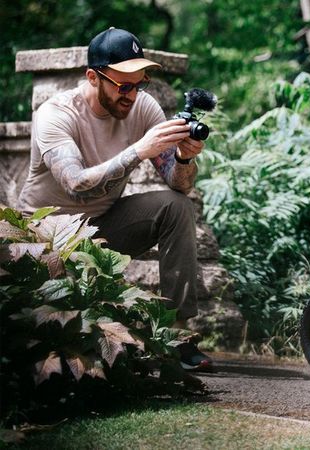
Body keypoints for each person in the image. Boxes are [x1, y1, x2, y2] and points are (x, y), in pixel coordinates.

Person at [17, 27, 213, 372]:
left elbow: (180, 185)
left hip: (101, 229)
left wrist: (184, 157)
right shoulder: (56, 114)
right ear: (93, 77)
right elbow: (75, 183)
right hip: (45, 237)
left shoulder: (141, 106)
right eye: (123, 85)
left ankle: (176, 337)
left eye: (139, 84)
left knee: (176, 206)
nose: (132, 95)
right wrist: (138, 151)